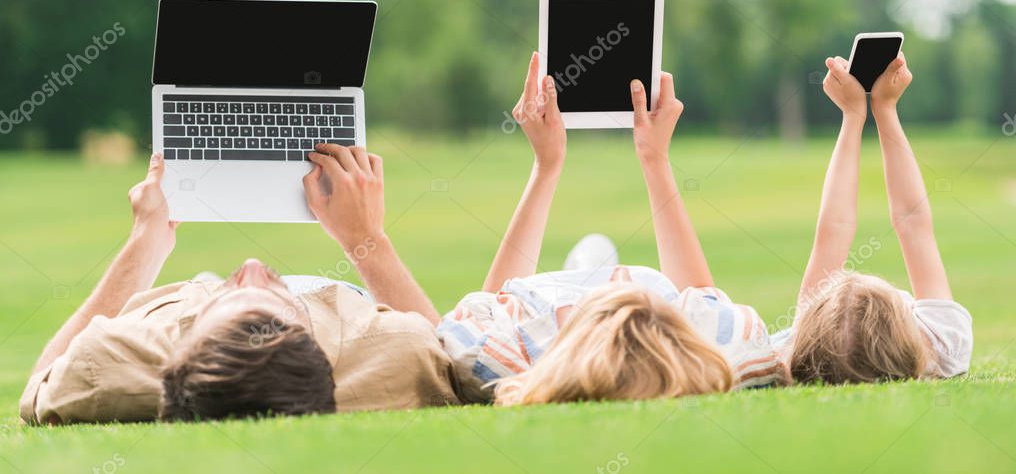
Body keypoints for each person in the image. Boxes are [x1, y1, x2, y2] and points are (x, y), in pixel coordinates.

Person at [437, 53, 788, 405]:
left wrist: (546, 165)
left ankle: (581, 276)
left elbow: (489, 305)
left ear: (572, 331)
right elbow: (702, 298)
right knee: (598, 252)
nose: (619, 285)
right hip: (597, 330)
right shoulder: (724, 355)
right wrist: (654, 159)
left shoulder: (497, 362)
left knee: (590, 254)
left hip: (545, 303)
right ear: (668, 332)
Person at [20, 145, 460, 425]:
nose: (250, 263)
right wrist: (366, 239)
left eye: (228, 296)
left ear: (178, 346)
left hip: (191, 302)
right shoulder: (398, 352)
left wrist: (144, 244)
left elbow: (38, 387)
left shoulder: (111, 367)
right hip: (332, 306)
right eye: (272, 296)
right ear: (314, 343)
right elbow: (451, 357)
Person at [774, 53, 972, 383]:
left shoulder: (794, 348)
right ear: (912, 334)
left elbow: (838, 229)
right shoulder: (940, 343)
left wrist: (854, 117)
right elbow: (912, 222)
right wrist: (886, 109)